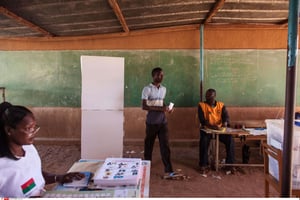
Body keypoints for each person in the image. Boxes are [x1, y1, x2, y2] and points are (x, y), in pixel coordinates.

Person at [0, 102, 85, 198]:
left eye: (34, 127)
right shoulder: (3, 165)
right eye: (28, 129)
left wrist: (58, 177)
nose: (34, 133)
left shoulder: (29, 148)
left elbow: (33, 175)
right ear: (9, 130)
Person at [141, 67, 178, 179]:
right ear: (153, 76)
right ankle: (146, 166)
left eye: (162, 75)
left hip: (162, 122)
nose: (161, 77)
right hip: (151, 122)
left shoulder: (164, 89)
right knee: (149, 145)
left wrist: (168, 109)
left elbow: (161, 103)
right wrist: (162, 109)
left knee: (165, 146)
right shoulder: (147, 89)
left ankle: (169, 169)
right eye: (158, 75)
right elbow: (144, 106)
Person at [198, 88, 235, 173]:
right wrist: (212, 126)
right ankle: (203, 164)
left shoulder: (221, 105)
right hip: (207, 130)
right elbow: (202, 120)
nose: (208, 99)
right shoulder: (202, 105)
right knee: (204, 141)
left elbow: (226, 117)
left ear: (215, 96)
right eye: (207, 97)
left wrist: (225, 123)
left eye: (210, 97)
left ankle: (230, 165)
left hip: (219, 130)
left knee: (230, 140)